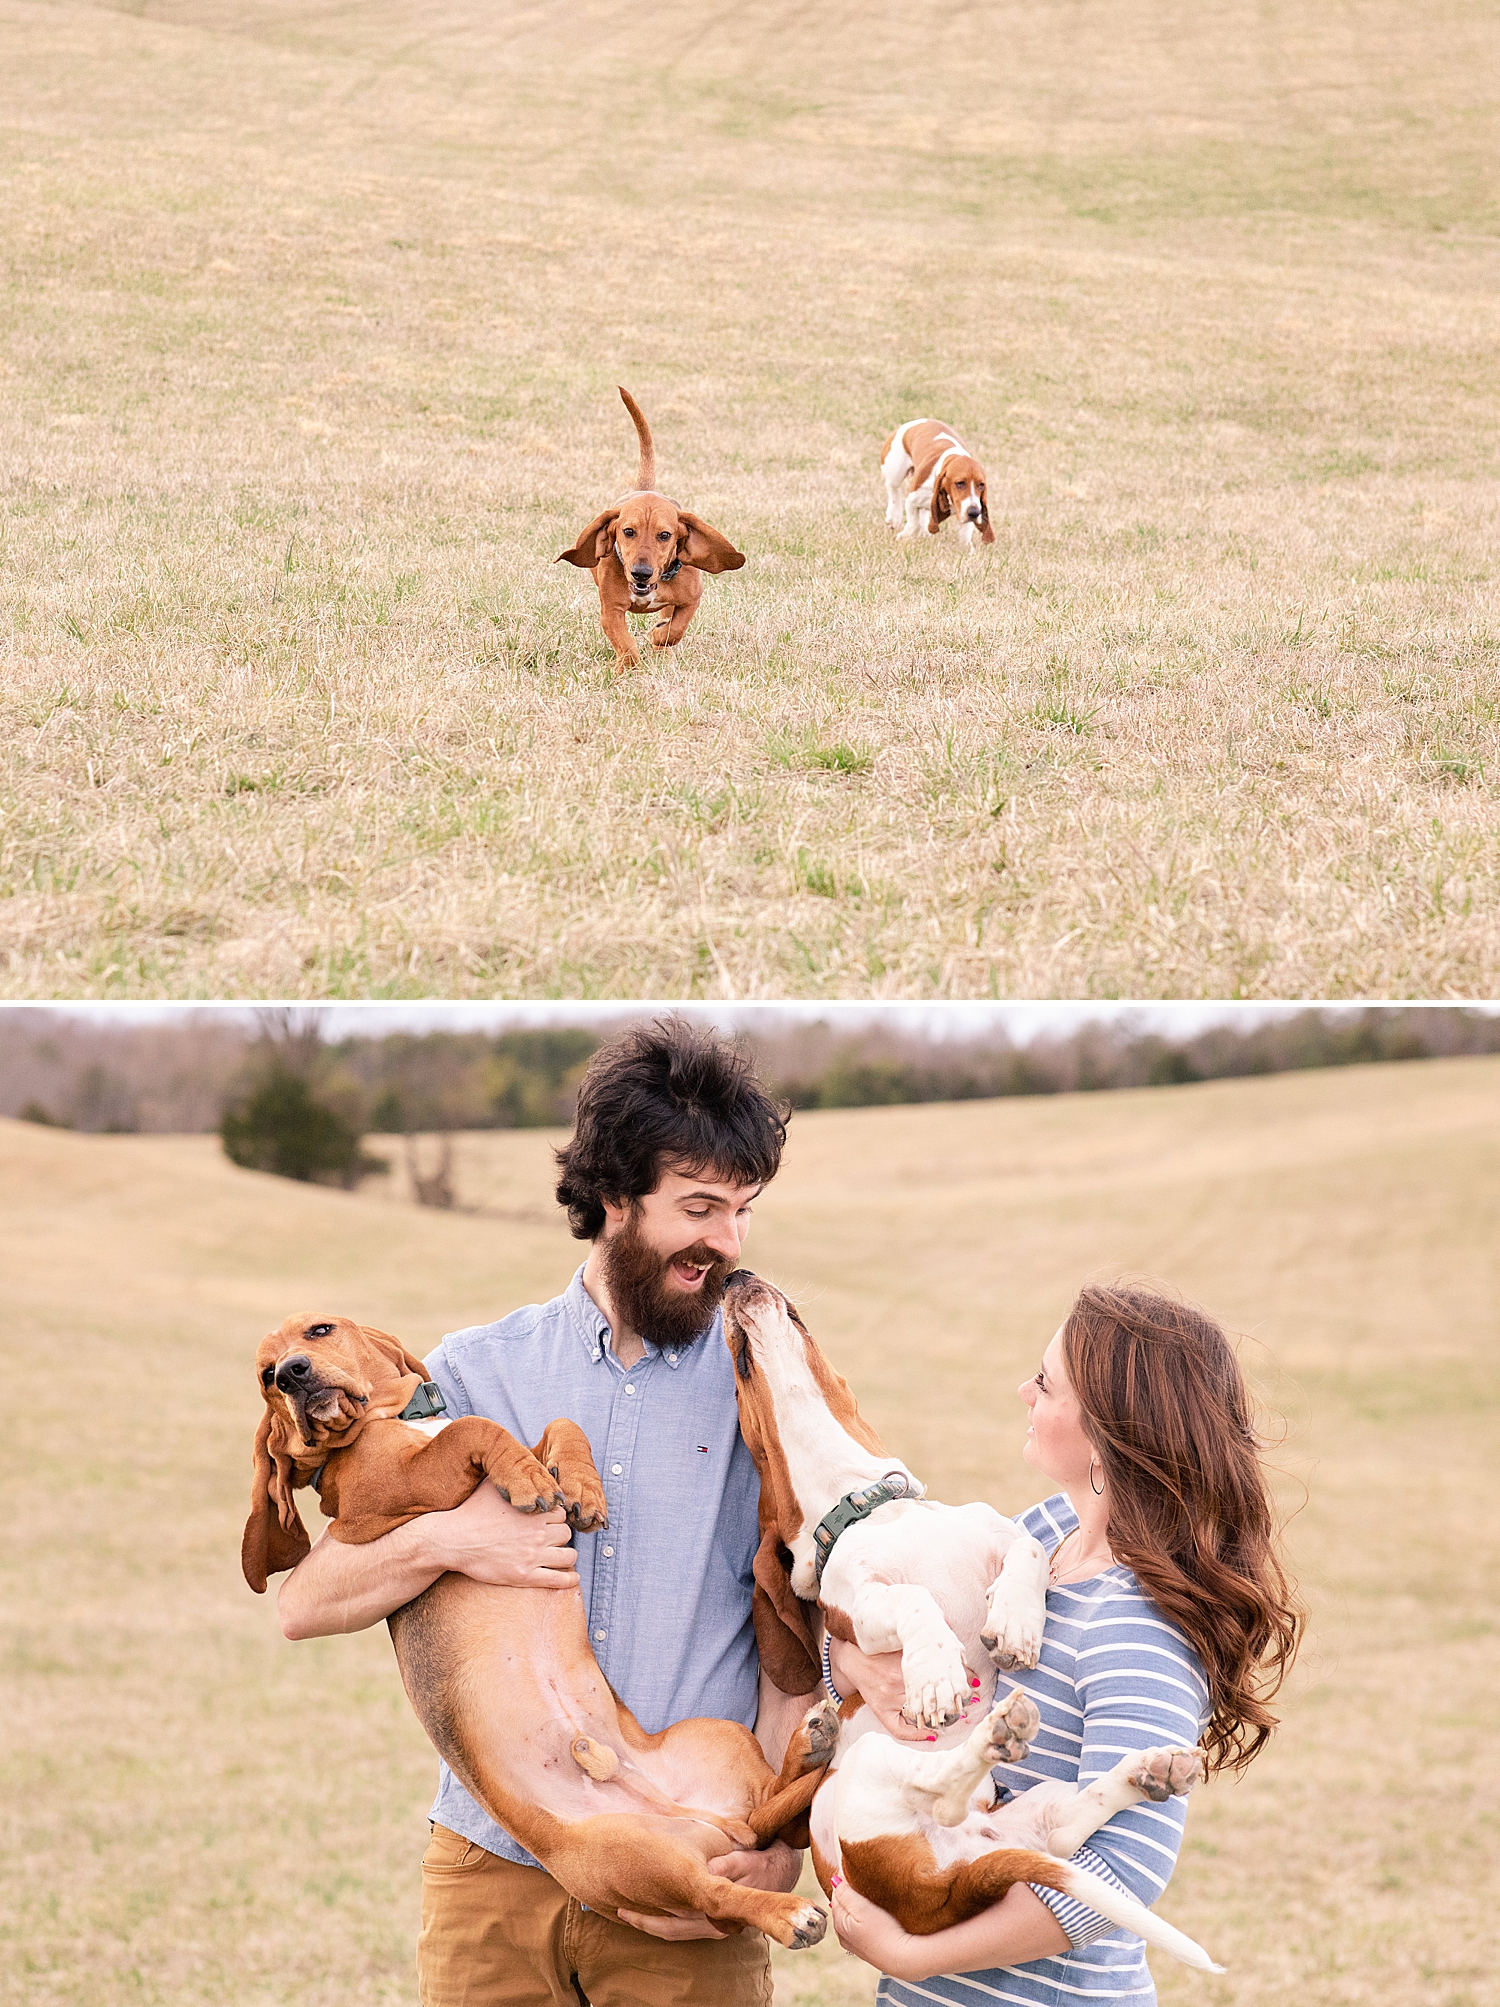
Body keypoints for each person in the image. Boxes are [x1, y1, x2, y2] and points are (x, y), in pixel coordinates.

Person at [277, 1016, 823, 2007]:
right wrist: (454, 1538)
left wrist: (779, 1848)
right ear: (615, 1198)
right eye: (699, 1208)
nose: (727, 1243)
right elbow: (307, 1599)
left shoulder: (764, 1386)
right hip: (490, 1875)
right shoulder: (470, 1372)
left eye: (743, 1211)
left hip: (687, 1879)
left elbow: (794, 1625)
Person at [825, 1282, 1304, 2005]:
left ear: (1109, 1434)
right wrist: (851, 1663)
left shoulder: (1136, 1623)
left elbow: (1124, 1869)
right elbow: (897, 1673)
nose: (1023, 1389)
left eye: (1046, 1384)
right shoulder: (1042, 1536)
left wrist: (919, 1955)